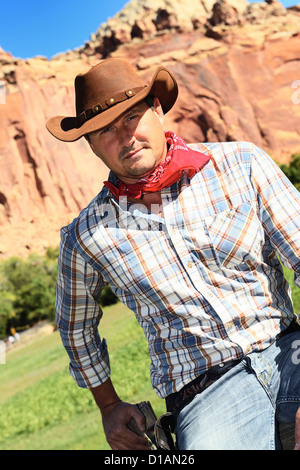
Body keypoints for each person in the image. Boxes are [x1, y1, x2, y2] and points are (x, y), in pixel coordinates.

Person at [46, 57, 300, 450]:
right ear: (91, 144)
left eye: (131, 117)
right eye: (105, 131)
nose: (125, 137)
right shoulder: (86, 237)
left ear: (157, 109)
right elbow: (75, 328)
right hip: (205, 394)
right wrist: (108, 405)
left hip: (289, 351)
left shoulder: (241, 164)